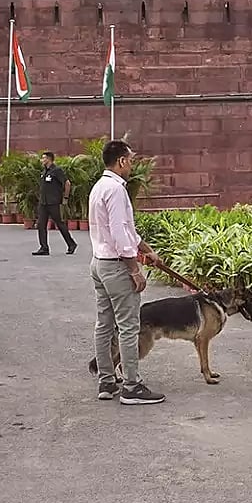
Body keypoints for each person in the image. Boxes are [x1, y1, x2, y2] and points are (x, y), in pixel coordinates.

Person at [89, 139, 166, 405]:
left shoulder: (99, 187)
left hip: (99, 262)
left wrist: (147, 248)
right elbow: (121, 234)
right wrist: (135, 269)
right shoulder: (117, 190)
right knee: (129, 326)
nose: (132, 165)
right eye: (131, 160)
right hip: (117, 265)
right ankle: (131, 385)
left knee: (104, 324)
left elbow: (122, 230)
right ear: (121, 161)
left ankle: (107, 381)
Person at [33, 151, 77, 256]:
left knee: (60, 224)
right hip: (43, 203)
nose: (41, 160)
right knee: (41, 225)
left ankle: (71, 244)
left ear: (49, 159)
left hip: (53, 203)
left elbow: (67, 183)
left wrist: (65, 197)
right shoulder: (44, 172)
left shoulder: (57, 171)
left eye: (43, 158)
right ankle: (44, 248)